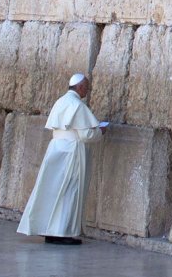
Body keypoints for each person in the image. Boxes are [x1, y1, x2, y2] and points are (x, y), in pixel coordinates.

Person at [17, 73, 106, 245]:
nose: (87, 90)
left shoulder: (60, 102)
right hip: (72, 152)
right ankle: (63, 233)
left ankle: (51, 232)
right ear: (79, 87)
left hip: (56, 148)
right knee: (69, 192)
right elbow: (86, 134)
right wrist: (100, 131)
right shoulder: (77, 106)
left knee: (53, 190)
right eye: (86, 87)